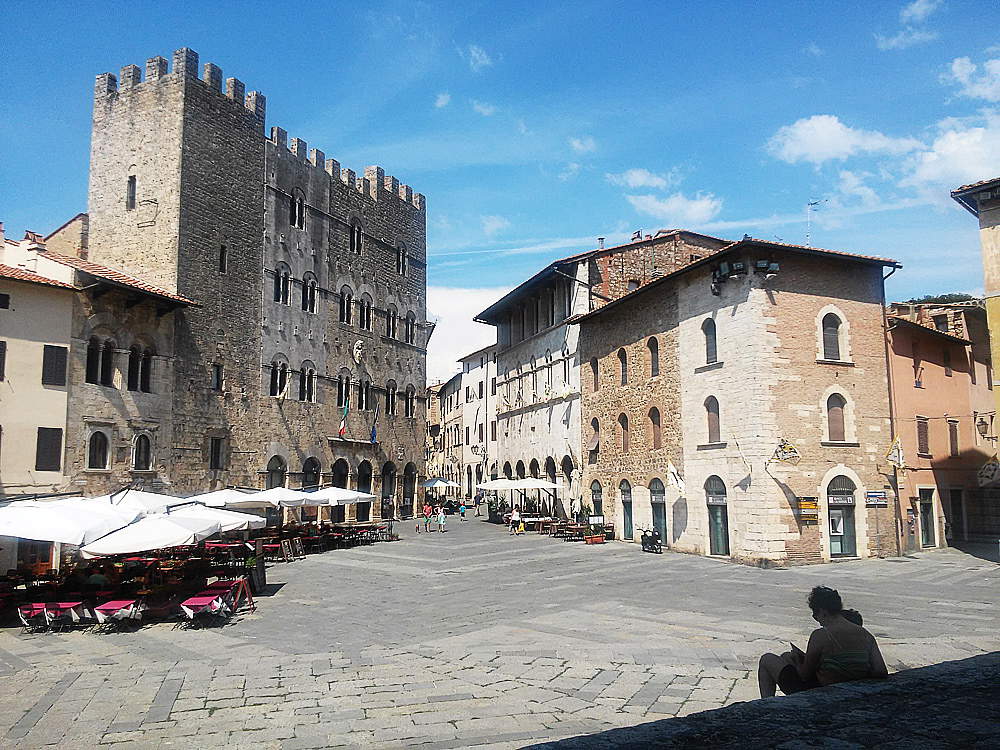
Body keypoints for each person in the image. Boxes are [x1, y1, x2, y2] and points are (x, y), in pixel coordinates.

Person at [758, 586, 887, 698]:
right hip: (853, 687)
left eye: (815, 614)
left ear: (823, 612)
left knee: (767, 659)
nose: (816, 619)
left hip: (823, 689)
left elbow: (804, 675)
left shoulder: (821, 635)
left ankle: (766, 704)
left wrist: (798, 660)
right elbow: (881, 671)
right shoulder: (866, 635)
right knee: (786, 657)